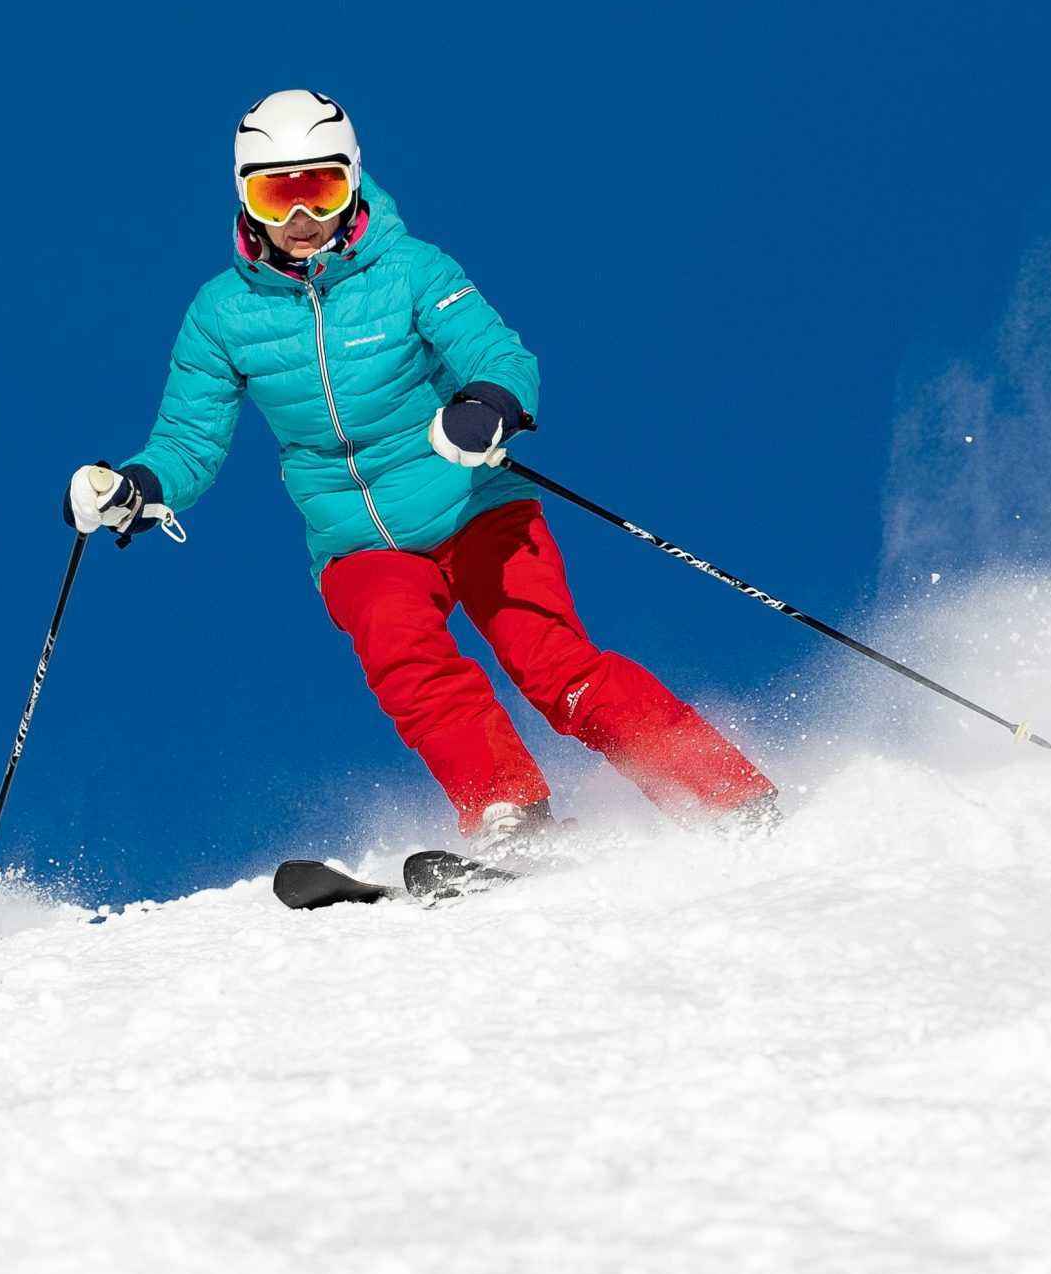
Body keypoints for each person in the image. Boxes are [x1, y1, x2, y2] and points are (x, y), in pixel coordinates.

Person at [66, 89, 780, 847]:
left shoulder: (410, 270)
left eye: (322, 187)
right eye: (278, 195)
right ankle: (510, 812)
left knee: (556, 669)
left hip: (477, 506)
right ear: (246, 201)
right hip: (362, 545)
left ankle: (728, 796)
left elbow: (497, 354)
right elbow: (188, 438)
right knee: (407, 661)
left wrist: (488, 406)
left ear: (354, 182)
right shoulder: (222, 313)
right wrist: (136, 487)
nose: (301, 218)